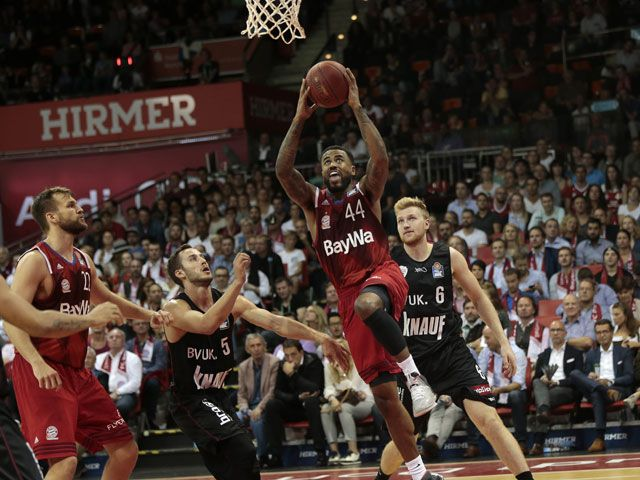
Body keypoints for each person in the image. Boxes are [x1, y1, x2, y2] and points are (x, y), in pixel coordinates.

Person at [276, 74, 437, 480]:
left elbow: (380, 158)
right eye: (326, 160)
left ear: (351, 168)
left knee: (369, 303)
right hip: (348, 297)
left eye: (339, 159)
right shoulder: (314, 205)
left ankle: (416, 377)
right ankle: (420, 474)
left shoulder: (367, 192)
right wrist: (299, 118)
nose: (332, 164)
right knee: (384, 396)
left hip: (382, 274)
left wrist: (356, 107)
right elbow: (283, 171)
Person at [4, 187, 171, 480]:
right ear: (52, 216)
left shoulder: (83, 259)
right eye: (71, 205)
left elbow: (107, 299)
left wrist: (150, 315)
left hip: (77, 373)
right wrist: (36, 362)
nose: (80, 209)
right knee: (65, 463)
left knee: (125, 450)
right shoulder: (34, 261)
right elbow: (13, 321)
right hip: (42, 369)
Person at [376, 198, 534, 480]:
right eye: (400, 221)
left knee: (488, 419)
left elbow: (479, 298)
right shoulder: (390, 261)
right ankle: (380, 478)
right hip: (411, 362)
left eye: (411, 218)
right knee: (405, 436)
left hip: (450, 353)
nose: (405, 224)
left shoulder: (448, 256)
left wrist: (505, 341)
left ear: (427, 223)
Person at [162, 246, 347, 479]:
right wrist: (238, 281)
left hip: (217, 397)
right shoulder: (175, 308)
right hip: (190, 399)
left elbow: (277, 323)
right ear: (180, 273)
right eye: (193, 258)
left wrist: (322, 338)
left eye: (202, 255)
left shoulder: (229, 302)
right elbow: (207, 324)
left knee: (243, 467)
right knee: (243, 449)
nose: (202, 260)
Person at [0, 274, 123, 480]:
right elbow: (34, 321)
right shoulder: (35, 263)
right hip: (30, 382)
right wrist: (91, 318)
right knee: (47, 468)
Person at [569, 320, 634, 452]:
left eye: (605, 331)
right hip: (599, 387)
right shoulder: (592, 354)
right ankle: (602, 389)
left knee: (596, 394)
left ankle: (599, 438)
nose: (602, 335)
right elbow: (586, 375)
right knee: (575, 373)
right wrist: (590, 376)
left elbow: (629, 377)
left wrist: (609, 382)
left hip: (616, 389)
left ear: (611, 333)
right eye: (598, 332)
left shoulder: (623, 352)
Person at [529, 320, 583, 455]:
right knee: (537, 383)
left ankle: (538, 442)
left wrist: (558, 382)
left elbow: (578, 378)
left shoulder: (575, 353)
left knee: (542, 401)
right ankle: (544, 412)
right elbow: (536, 377)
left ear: (565, 333)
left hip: (565, 389)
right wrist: (542, 379)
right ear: (550, 334)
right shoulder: (544, 355)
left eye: (559, 330)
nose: (556, 333)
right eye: (553, 330)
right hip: (545, 389)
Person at [321, 338, 374, 465]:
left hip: (364, 401)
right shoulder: (328, 367)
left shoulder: (357, 364)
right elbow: (328, 388)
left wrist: (342, 373)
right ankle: (334, 452)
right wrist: (332, 399)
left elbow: (352, 389)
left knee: (344, 408)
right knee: (324, 409)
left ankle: (353, 451)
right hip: (342, 401)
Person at [237, 333, 278, 466]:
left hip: (266, 405)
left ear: (265, 346)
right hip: (248, 407)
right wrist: (244, 408)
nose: (256, 348)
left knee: (256, 422)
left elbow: (272, 391)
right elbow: (241, 393)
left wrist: (259, 408)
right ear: (248, 349)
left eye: (259, 345)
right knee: (233, 419)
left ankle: (261, 456)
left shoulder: (274, 362)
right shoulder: (243, 366)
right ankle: (237, 459)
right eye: (252, 346)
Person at [95, 328, 143, 422]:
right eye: (111, 337)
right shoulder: (99, 358)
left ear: (124, 340)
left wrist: (117, 392)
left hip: (126, 394)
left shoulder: (133, 358)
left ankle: (119, 432)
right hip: (104, 393)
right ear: (107, 340)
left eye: (118, 337)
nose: (114, 339)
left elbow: (135, 383)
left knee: (122, 406)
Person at [126, 319, 167, 428]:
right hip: (133, 377)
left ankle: (151, 417)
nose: (140, 325)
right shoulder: (129, 345)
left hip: (150, 376)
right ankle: (132, 420)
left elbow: (160, 364)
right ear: (133, 327)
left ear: (148, 326)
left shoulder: (157, 343)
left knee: (152, 384)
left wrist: (144, 372)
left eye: (143, 323)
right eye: (137, 323)